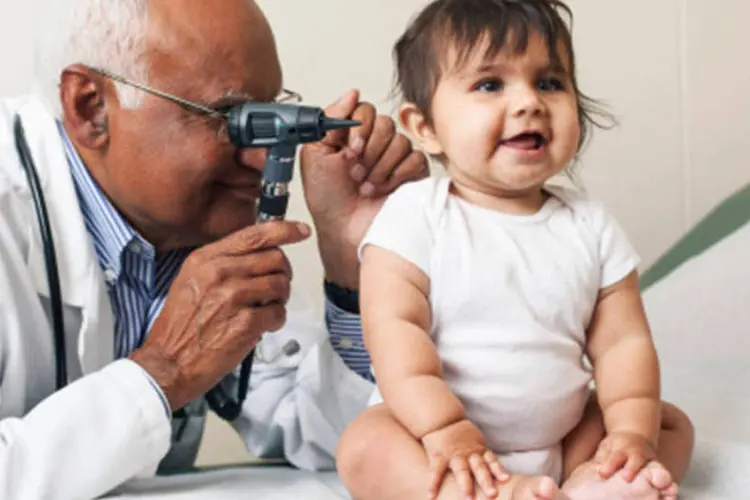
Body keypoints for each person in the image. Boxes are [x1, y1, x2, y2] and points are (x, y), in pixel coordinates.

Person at [0, 0, 428, 498]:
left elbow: (334, 437)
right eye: (229, 118)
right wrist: (164, 373)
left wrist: (353, 264)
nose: (265, 156)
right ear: (91, 108)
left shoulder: (191, 221)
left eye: (269, 115)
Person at [336, 1, 695, 499]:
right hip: (439, 441)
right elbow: (394, 333)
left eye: (549, 82)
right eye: (489, 84)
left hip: (562, 438)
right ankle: (489, 493)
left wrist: (631, 433)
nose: (529, 102)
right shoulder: (414, 215)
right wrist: (445, 429)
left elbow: (622, 345)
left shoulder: (590, 226)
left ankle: (597, 481)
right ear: (425, 128)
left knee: (668, 425)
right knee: (365, 444)